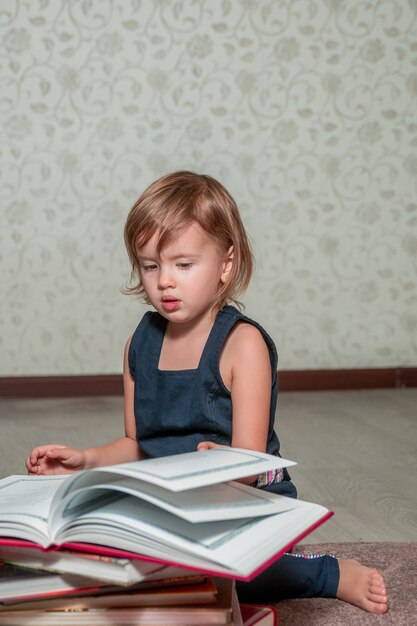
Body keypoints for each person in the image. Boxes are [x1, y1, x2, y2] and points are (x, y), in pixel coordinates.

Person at [26, 171, 388, 613]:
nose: (165, 282)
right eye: (150, 265)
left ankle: (326, 573)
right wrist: (87, 461)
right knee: (110, 564)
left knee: (244, 574)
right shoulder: (137, 346)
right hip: (166, 503)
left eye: (183, 264)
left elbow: (250, 464)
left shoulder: (242, 345)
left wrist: (211, 471)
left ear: (226, 264)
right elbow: (139, 446)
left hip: (240, 498)